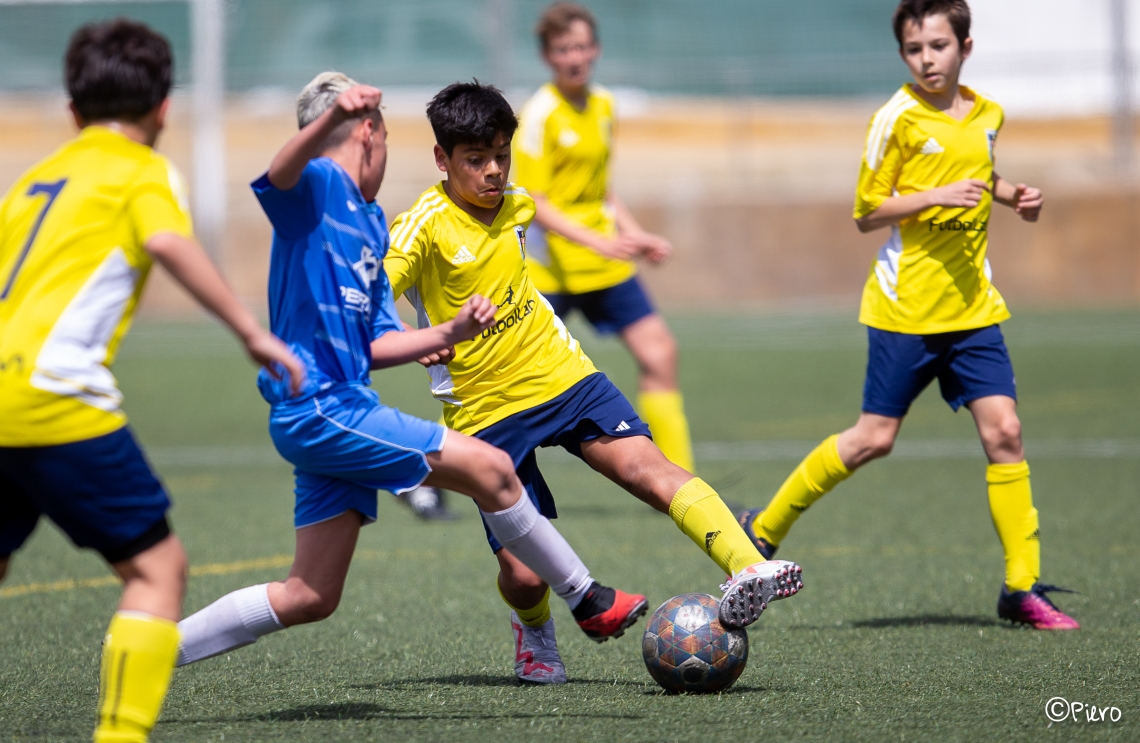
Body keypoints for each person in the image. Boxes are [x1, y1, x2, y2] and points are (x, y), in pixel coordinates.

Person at [173, 73, 647, 680]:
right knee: (493, 468)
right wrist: (327, 120)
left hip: (340, 407)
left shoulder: (371, 225)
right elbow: (279, 170)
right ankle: (589, 599)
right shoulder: (315, 189)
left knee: (311, 594)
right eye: (387, 135)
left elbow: (375, 341)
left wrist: (447, 335)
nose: (390, 149)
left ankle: (155, 650)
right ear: (365, 134)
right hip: (321, 407)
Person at [384, 81, 804, 684]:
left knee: (649, 471)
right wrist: (415, 336)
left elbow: (550, 208)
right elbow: (374, 294)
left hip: (563, 374)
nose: (493, 170)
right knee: (526, 575)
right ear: (441, 159)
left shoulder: (517, 204)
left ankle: (748, 568)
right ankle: (533, 632)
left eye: (501, 154)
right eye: (475, 160)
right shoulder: (422, 224)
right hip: (484, 412)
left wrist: (614, 240)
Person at [0, 20, 305, 743]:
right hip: (55, 394)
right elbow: (168, 240)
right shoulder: (141, 170)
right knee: (157, 569)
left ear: (73, 110)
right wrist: (251, 330)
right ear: (164, 108)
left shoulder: (35, 178)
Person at [737, 0, 1078, 630]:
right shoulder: (893, 118)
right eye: (915, 48)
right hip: (906, 309)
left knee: (1005, 432)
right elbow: (867, 210)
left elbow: (979, 169)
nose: (928, 59)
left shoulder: (988, 114)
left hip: (974, 307)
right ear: (903, 55)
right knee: (873, 438)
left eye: (939, 46)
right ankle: (764, 526)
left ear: (965, 49)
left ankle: (1021, 587)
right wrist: (934, 198)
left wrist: (1012, 195)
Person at [513, 2, 695, 472]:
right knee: (507, 376)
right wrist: (598, 241)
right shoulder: (539, 115)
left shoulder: (605, 106)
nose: (574, 57)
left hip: (605, 263)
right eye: (563, 49)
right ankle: (432, 476)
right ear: (547, 56)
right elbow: (537, 203)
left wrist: (636, 236)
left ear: (595, 49)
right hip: (550, 268)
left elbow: (602, 190)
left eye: (581, 46)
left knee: (660, 352)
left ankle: (680, 478)